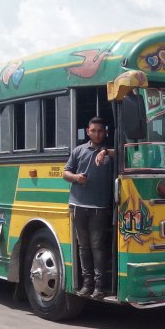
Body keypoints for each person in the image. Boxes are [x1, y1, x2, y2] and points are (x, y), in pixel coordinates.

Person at [63, 117, 115, 299]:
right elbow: (65, 172)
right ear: (88, 132)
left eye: (101, 131)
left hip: (99, 207)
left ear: (105, 133)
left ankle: (99, 287)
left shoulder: (111, 152)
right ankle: (87, 284)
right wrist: (76, 178)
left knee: (97, 246)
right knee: (84, 247)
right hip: (78, 205)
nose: (97, 134)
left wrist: (105, 152)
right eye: (94, 130)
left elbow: (124, 154)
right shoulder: (79, 151)